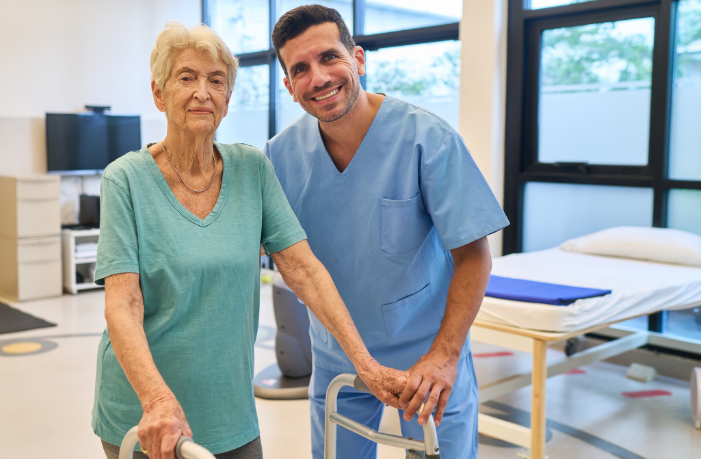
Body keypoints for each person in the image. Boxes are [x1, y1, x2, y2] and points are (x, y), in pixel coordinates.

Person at [92, 21, 408, 459]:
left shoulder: (251, 169)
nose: (203, 92)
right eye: (186, 78)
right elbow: (123, 304)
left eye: (216, 81)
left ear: (227, 100)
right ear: (159, 94)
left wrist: (366, 365)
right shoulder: (125, 179)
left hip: (230, 411)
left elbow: (304, 270)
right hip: (147, 414)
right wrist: (156, 401)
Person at [266, 6, 510, 459]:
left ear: (358, 59)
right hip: (337, 356)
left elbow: (474, 255)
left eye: (329, 57)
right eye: (300, 69)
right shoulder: (279, 158)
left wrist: (444, 357)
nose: (318, 78)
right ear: (288, 86)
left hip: (428, 355)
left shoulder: (426, 138)